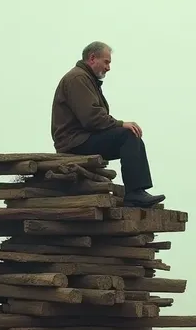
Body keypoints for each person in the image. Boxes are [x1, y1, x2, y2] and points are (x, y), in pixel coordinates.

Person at [51, 41, 165, 207]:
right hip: (74, 142)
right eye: (106, 62)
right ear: (92, 58)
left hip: (82, 138)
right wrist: (120, 124)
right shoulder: (78, 78)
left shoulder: (85, 78)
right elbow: (91, 118)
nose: (108, 67)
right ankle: (134, 193)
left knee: (132, 137)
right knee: (127, 135)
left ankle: (138, 191)